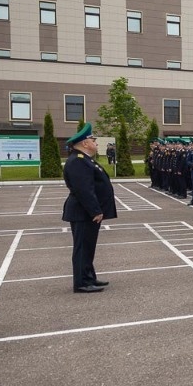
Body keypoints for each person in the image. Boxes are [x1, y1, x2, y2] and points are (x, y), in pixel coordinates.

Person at [62, 123, 117, 293]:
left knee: (88, 247)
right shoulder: (78, 161)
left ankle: (89, 277)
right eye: (93, 140)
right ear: (85, 143)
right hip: (84, 212)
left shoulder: (83, 159)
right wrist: (95, 210)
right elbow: (84, 190)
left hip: (85, 212)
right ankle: (82, 283)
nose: (96, 143)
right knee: (83, 248)